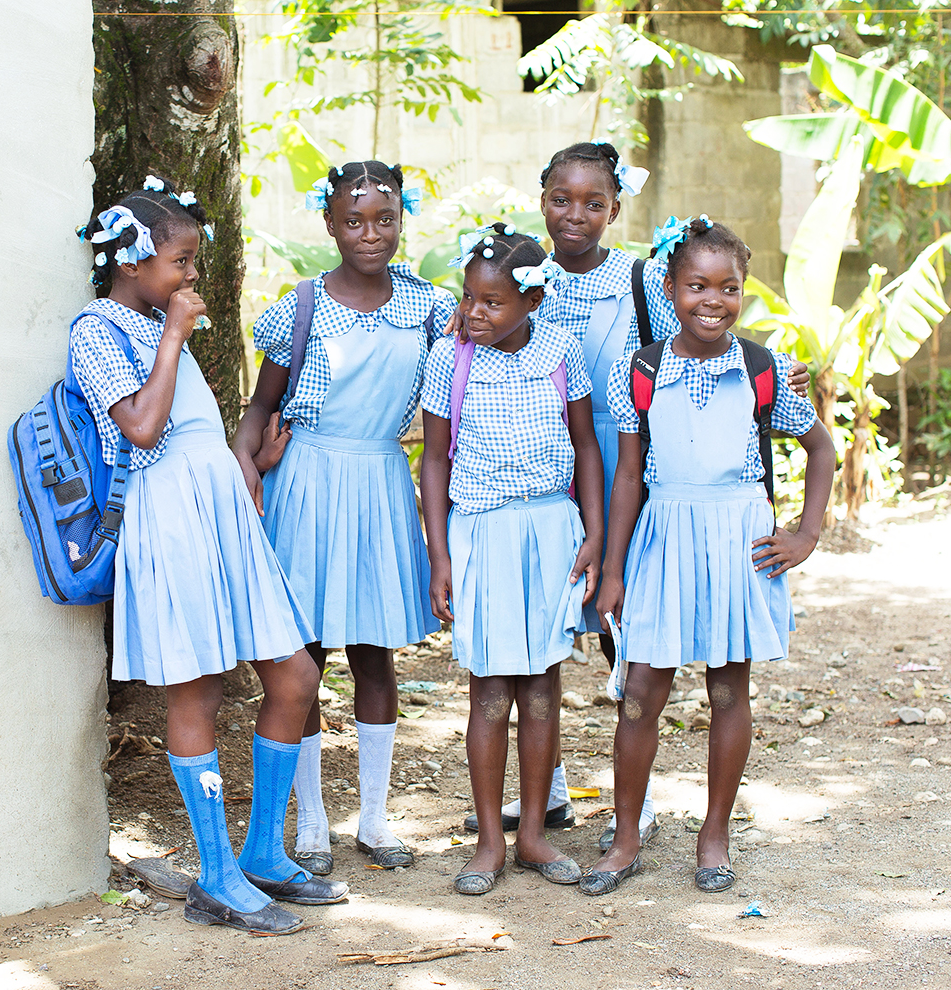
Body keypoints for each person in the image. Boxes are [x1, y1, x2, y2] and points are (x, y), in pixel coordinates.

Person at [476, 141, 811, 855]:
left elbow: (694, 348)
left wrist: (785, 382)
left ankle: (642, 799)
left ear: (615, 208)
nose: (575, 215)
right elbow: (484, 330)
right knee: (543, 623)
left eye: (593, 203)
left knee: (619, 626)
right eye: (562, 201)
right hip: (541, 459)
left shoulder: (641, 278)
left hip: (620, 454)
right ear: (541, 200)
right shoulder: (521, 268)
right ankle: (551, 786)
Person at [71, 177, 346, 936]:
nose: (192, 275)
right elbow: (141, 429)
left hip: (221, 511)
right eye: (181, 261)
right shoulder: (96, 329)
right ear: (131, 260)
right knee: (197, 695)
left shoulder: (162, 319)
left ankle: (260, 852)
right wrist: (173, 337)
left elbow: (190, 427)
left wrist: (246, 457)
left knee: (294, 675)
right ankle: (217, 877)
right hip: (171, 521)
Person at [582, 216, 834, 896]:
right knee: (640, 693)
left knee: (729, 689)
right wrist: (613, 570)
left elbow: (821, 449)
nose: (712, 301)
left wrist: (805, 534)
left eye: (729, 288)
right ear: (670, 289)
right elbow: (629, 475)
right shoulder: (642, 368)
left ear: (744, 293)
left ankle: (714, 832)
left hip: (738, 537)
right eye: (696, 286)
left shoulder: (764, 368)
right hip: (665, 532)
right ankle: (627, 834)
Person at [233, 161, 455, 874]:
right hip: (306, 483)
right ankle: (311, 824)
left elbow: (473, 380)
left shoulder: (428, 308)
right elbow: (260, 408)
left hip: (381, 481)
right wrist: (246, 470)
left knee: (374, 655)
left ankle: (375, 818)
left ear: (401, 222)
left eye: (384, 219)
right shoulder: (301, 307)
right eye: (353, 220)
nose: (370, 233)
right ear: (328, 223)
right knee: (305, 657)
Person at [418, 223, 604, 896]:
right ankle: (490, 841)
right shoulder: (451, 358)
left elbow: (585, 445)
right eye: (469, 298)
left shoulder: (559, 350)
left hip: (550, 527)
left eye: (492, 303)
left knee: (543, 687)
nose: (474, 312)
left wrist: (593, 531)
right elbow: (435, 459)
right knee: (491, 688)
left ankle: (533, 833)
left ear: (531, 301)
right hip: (482, 531)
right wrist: (439, 555)